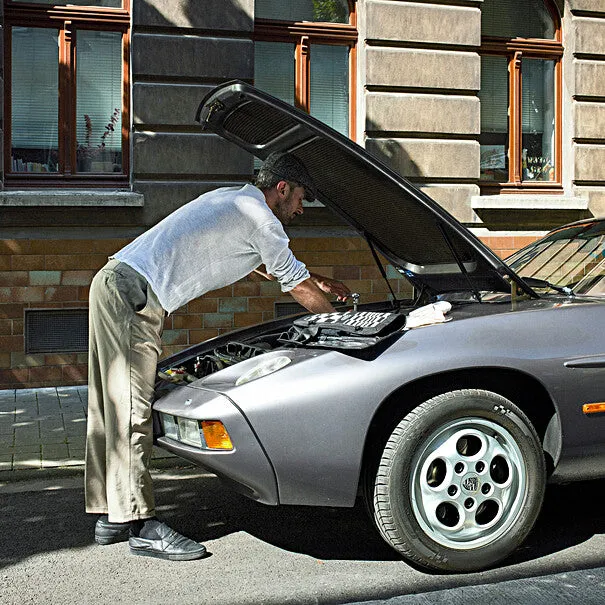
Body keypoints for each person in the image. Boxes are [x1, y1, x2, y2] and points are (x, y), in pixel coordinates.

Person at [85, 152, 351, 560]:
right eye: (301, 198)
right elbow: (293, 285)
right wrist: (342, 326)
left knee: (108, 408)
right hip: (133, 298)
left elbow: (271, 268)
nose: (301, 208)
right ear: (282, 188)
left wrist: (320, 281)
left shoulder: (234, 200)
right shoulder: (262, 219)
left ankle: (111, 514)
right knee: (132, 411)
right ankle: (139, 525)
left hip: (114, 283)